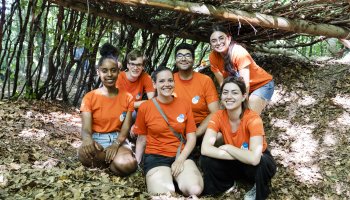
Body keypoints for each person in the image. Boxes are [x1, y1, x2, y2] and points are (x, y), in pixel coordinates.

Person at [200, 76, 276, 200]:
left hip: (256, 165)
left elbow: (254, 159)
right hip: (239, 158)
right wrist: (238, 156)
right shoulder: (218, 116)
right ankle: (224, 185)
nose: (229, 96)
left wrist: (229, 147)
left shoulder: (253, 118)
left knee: (262, 162)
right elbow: (205, 148)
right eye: (225, 92)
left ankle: (258, 189)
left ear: (243, 96)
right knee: (206, 159)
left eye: (234, 92)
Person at [133, 67, 203, 197]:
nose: (167, 84)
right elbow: (142, 138)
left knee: (195, 190)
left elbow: (191, 138)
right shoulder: (145, 107)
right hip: (156, 157)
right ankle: (167, 179)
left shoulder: (184, 104)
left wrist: (180, 159)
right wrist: (136, 163)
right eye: (162, 81)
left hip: (180, 154)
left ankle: (179, 179)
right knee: (165, 195)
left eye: (170, 80)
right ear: (154, 84)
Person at [78, 43, 137, 176]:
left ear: (119, 71)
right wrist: (88, 140)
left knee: (128, 164)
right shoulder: (90, 97)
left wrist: (116, 144)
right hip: (97, 140)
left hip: (118, 140)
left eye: (113, 70)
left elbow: (125, 128)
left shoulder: (127, 97)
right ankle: (112, 164)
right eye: (104, 71)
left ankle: (111, 163)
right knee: (83, 154)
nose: (109, 74)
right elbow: (86, 129)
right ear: (98, 72)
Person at [209, 25, 274, 114]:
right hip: (242, 88)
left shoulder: (239, 52)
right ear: (211, 44)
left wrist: (242, 106)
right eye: (214, 41)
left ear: (228, 38)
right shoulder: (213, 57)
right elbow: (222, 84)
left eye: (221, 38)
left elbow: (245, 85)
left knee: (248, 115)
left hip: (262, 85)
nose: (218, 42)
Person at [173, 43, 220, 140]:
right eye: (180, 56)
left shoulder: (205, 80)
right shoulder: (169, 80)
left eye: (188, 56)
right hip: (177, 126)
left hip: (201, 127)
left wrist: (196, 133)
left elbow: (215, 111)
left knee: (219, 137)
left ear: (194, 60)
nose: (183, 59)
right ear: (175, 60)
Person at [116, 49, 155, 123]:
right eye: (132, 64)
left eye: (139, 65)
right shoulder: (119, 77)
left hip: (134, 112)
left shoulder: (146, 77)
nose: (135, 68)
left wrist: (131, 105)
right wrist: (135, 104)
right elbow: (117, 103)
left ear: (143, 66)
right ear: (127, 65)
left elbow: (152, 102)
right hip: (118, 110)